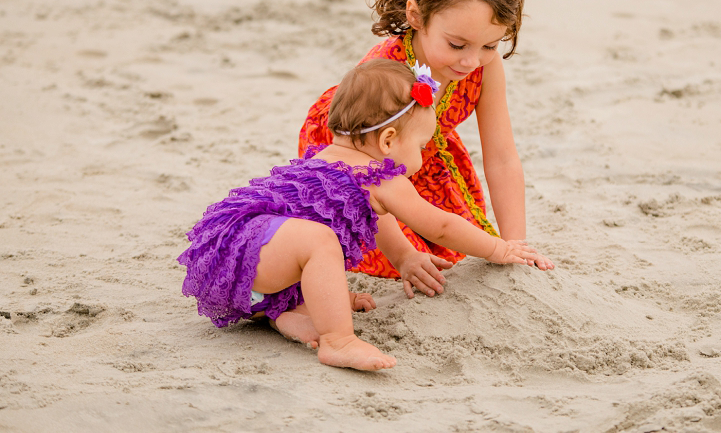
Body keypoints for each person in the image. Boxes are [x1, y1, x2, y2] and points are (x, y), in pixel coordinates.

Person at [178, 60, 541, 371]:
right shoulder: (383, 177)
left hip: (232, 260)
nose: (421, 153)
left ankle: (286, 313)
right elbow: (441, 225)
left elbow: (372, 217)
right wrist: (498, 249)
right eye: (420, 145)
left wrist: (403, 257)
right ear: (388, 141)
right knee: (318, 241)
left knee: (314, 241)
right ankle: (338, 340)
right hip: (254, 249)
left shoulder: (328, 159)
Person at [299, 0, 555, 299]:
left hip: (419, 155)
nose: (471, 61)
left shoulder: (484, 64)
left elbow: (501, 156)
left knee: (457, 246)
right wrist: (403, 256)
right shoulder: (387, 74)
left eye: (488, 44)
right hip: (359, 162)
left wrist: (515, 244)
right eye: (456, 44)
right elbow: (366, 179)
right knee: (393, 257)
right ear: (417, 15)